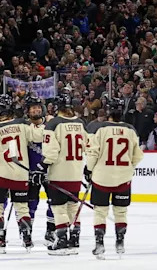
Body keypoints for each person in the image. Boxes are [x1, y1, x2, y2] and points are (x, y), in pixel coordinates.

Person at [0, 94, 44, 253]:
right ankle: (27, 237)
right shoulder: (22, 123)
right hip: (21, 173)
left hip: (1, 174)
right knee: (22, 207)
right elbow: (39, 135)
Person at [84, 98, 144, 258]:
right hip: (123, 178)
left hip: (102, 177)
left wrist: (89, 169)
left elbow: (92, 153)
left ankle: (99, 244)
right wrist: (128, 168)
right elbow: (138, 155)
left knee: (100, 212)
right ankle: (120, 242)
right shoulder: (130, 130)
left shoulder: (100, 129)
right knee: (121, 212)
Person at [41, 92, 86, 255]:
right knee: (73, 207)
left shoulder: (53, 124)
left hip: (58, 173)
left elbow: (51, 153)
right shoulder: (81, 123)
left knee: (58, 208)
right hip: (75, 172)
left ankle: (61, 240)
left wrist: (42, 166)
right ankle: (74, 239)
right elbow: (89, 146)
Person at [24, 96, 55, 246]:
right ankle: (27, 231)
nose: (36, 110)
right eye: (33, 108)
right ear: (28, 111)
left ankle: (51, 230)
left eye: (38, 107)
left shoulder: (51, 125)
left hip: (49, 171)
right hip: (30, 171)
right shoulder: (24, 126)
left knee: (53, 202)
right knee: (31, 203)